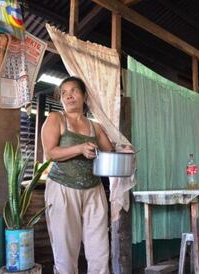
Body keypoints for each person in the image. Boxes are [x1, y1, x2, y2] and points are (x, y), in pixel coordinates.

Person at [41, 76, 113, 274]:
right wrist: (80, 148)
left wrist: (123, 150)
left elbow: (109, 153)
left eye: (73, 90)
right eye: (63, 93)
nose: (68, 95)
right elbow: (50, 153)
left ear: (84, 96)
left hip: (94, 190)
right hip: (63, 189)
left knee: (100, 249)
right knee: (65, 250)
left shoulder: (95, 127)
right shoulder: (56, 119)